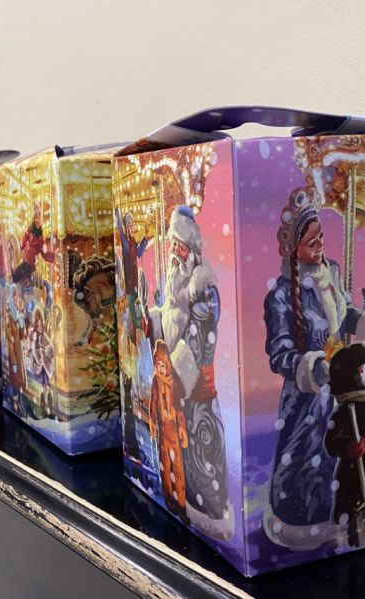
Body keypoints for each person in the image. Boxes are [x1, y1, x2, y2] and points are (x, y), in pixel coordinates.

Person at [263, 186, 365, 550]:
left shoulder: (332, 273)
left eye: (321, 238)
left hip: (342, 385)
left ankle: (344, 512)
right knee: (307, 455)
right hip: (307, 397)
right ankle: (300, 520)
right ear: (293, 246)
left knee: (346, 448)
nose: (319, 246)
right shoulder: (281, 296)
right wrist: (314, 366)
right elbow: (279, 353)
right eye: (310, 241)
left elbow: (345, 315)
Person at [140, 205, 230, 539]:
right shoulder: (175, 280)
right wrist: (152, 320)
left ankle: (211, 510)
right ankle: (183, 497)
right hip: (175, 381)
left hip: (195, 382)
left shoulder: (203, 285)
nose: (175, 252)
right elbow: (170, 320)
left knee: (201, 442)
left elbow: (202, 333)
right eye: (173, 245)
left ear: (191, 247)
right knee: (180, 443)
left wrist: (177, 362)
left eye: (180, 246)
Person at [324, 342, 365, 547]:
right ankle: (350, 540)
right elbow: (331, 442)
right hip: (355, 471)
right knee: (354, 509)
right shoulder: (346, 409)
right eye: (361, 371)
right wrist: (348, 448)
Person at [148, 340, 190, 523]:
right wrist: (152, 423)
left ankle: (181, 505)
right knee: (165, 466)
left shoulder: (174, 382)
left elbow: (180, 408)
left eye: (163, 365)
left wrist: (182, 429)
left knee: (177, 468)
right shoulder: (156, 381)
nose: (160, 368)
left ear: (168, 364)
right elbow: (153, 404)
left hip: (173, 431)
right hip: (163, 433)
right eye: (157, 364)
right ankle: (169, 500)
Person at [115, 208, 149, 342]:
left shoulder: (133, 243)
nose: (132, 228)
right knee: (133, 307)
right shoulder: (126, 243)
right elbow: (120, 230)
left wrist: (145, 237)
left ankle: (140, 329)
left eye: (132, 225)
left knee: (138, 305)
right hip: (129, 284)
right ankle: (135, 330)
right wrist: (117, 214)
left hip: (135, 285)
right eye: (129, 225)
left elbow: (139, 252)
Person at [12, 204, 55, 284]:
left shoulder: (39, 239)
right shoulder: (28, 232)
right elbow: (21, 244)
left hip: (30, 265)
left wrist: (54, 256)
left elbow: (45, 252)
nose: (37, 220)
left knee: (23, 276)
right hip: (24, 262)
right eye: (36, 217)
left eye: (39, 218)